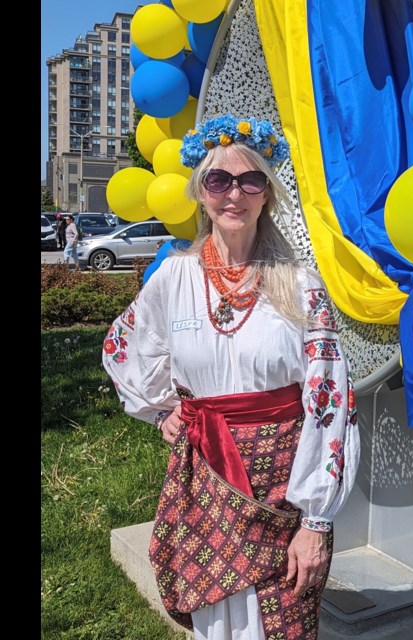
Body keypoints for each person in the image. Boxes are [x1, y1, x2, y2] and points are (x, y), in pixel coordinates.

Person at [101, 115, 359, 640]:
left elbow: (331, 403)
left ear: (267, 193)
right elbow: (123, 344)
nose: (233, 193)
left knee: (280, 616)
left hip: (281, 486)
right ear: (200, 191)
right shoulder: (175, 276)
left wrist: (315, 520)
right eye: (219, 181)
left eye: (250, 180)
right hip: (204, 472)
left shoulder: (301, 285)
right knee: (213, 616)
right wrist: (159, 409)